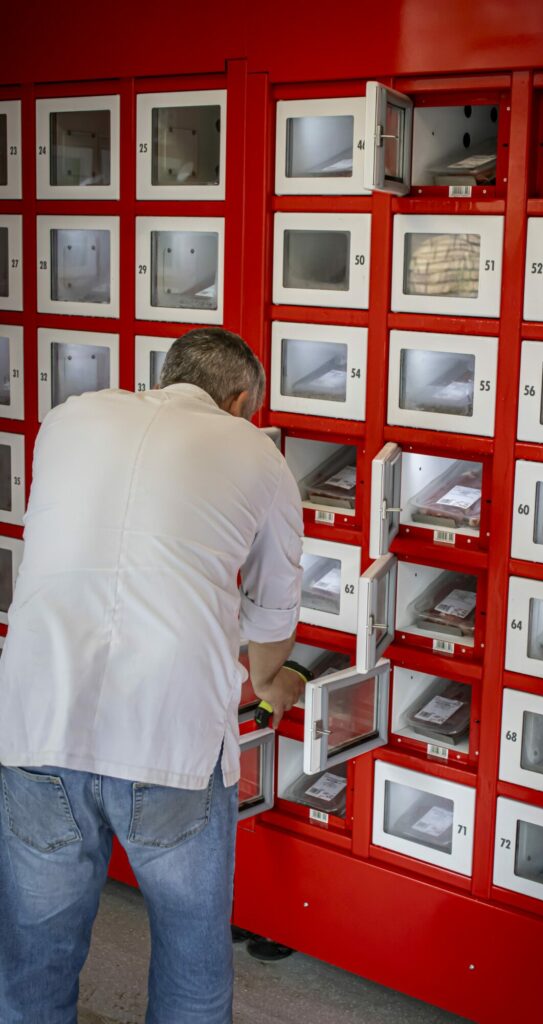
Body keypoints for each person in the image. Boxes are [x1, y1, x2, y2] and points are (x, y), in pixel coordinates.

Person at [0, 327, 305, 1024]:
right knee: (191, 969)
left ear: (166, 378)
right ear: (239, 402)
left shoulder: (70, 418)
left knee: (33, 965)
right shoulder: (259, 455)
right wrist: (273, 685)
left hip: (38, 722)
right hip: (172, 738)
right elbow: (270, 628)